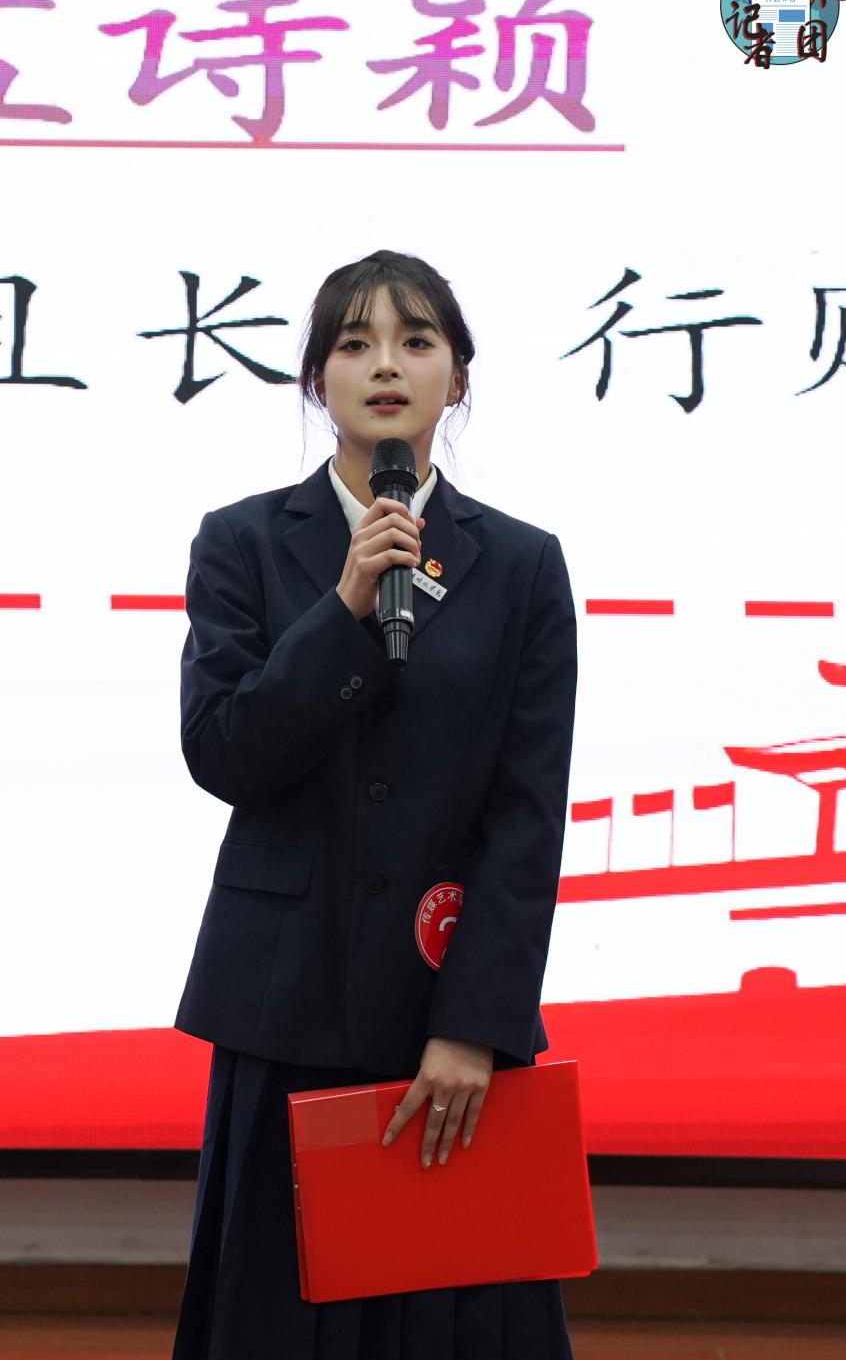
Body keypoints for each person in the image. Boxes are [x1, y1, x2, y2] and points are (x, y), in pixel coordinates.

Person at [171, 249, 579, 1359]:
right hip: (284, 1000)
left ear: (458, 376)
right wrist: (344, 607)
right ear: (317, 381)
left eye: (414, 341)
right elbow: (224, 752)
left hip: (445, 1002)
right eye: (354, 344)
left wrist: (475, 1023)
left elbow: (528, 811)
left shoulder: (523, 566)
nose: (385, 365)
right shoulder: (244, 542)